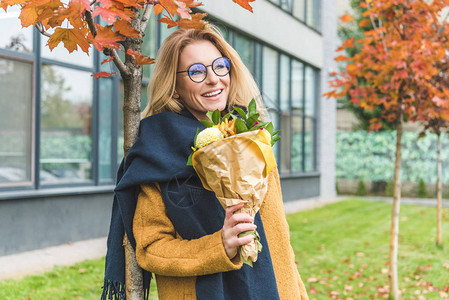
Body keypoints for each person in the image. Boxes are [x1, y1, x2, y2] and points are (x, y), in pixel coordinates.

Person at [101, 24, 308, 300]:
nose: (213, 79)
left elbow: (281, 241)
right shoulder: (156, 152)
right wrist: (218, 245)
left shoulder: (253, 139)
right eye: (197, 72)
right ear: (174, 88)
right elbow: (151, 247)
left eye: (220, 66)